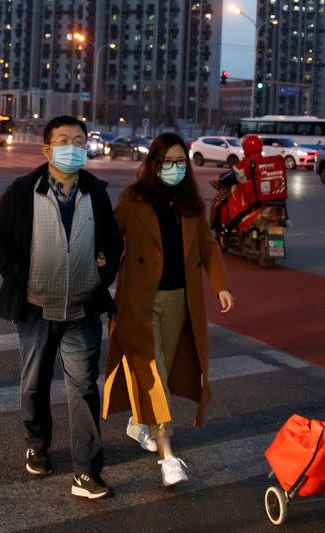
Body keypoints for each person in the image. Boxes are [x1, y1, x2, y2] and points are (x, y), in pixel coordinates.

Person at [0, 115, 122, 499]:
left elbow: (113, 245)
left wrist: (103, 274)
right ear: (47, 149)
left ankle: (87, 472)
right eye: (64, 141)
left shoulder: (96, 192)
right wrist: (21, 278)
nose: (73, 148)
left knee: (83, 388)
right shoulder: (22, 191)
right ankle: (38, 444)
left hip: (82, 310)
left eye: (80, 141)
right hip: (35, 309)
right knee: (34, 386)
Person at [103, 133, 233, 487]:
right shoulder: (133, 198)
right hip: (140, 300)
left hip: (180, 299)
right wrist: (99, 265)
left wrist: (220, 284)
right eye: (167, 162)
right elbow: (110, 239)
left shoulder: (191, 202)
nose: (174, 169)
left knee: (165, 366)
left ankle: (138, 421)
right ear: (153, 164)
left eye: (180, 162)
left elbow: (207, 245)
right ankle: (167, 454)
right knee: (155, 370)